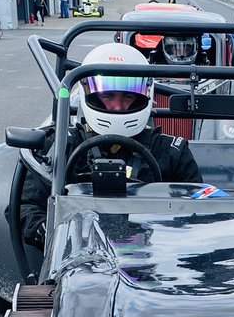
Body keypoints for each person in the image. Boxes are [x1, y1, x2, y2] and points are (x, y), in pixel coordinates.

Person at [19, 43, 203, 251]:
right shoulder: (62, 147)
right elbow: (25, 207)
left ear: (144, 96)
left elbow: (200, 210)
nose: (117, 106)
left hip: (155, 255)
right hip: (80, 256)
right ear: (90, 94)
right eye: (108, 96)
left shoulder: (171, 152)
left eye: (128, 96)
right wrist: (48, 231)